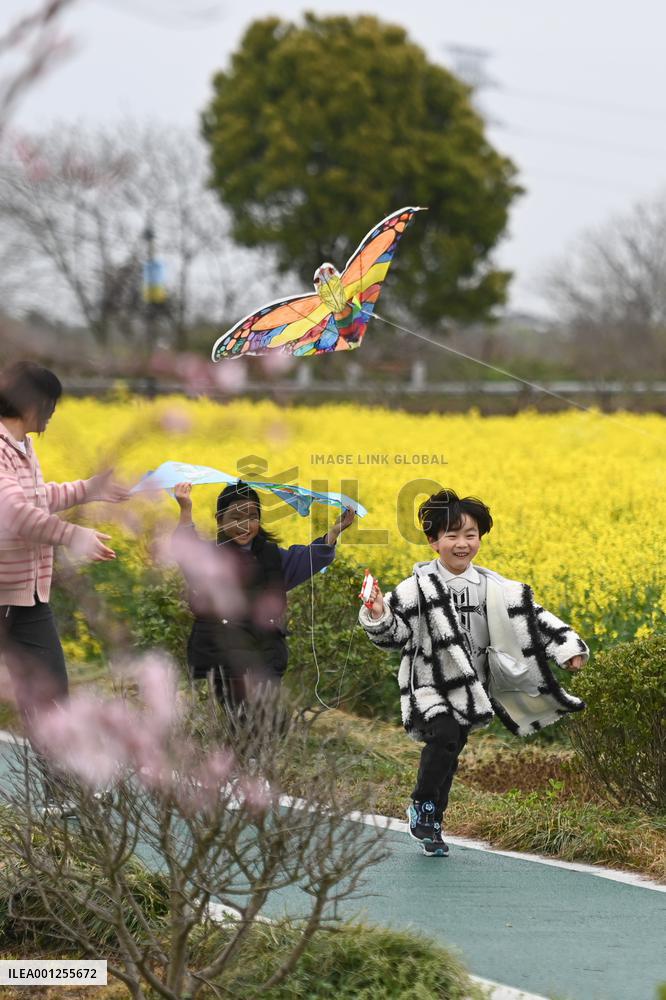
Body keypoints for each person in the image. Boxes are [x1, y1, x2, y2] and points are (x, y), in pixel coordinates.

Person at [359, 488, 588, 858]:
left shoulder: (495, 588)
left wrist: (567, 649)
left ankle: (433, 820)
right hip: (428, 681)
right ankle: (422, 804)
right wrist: (377, 612)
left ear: (481, 538)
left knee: (451, 748)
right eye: (452, 535)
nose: (462, 544)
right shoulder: (416, 587)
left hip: (472, 686)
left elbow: (534, 620)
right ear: (433, 542)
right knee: (445, 734)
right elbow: (396, 636)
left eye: (470, 535)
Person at [0, 362, 128, 807]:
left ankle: (64, 786)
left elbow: (39, 498)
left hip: (28, 596)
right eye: (50, 405)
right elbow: (14, 513)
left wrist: (90, 489)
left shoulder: (23, 446)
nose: (52, 415)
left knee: (52, 690)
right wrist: (73, 535)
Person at [173, 479, 355, 719]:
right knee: (240, 722)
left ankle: (254, 755)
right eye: (235, 518)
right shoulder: (211, 558)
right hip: (225, 661)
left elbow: (306, 558)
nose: (244, 525)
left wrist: (333, 532)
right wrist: (185, 509)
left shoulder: (272, 557)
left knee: (266, 725)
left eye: (251, 517)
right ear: (220, 520)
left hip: (265, 657)